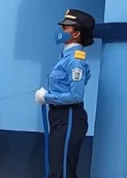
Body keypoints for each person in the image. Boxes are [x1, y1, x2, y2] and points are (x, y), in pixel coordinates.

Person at [36, 9, 95, 178]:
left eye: (65, 28)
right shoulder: (65, 58)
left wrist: (46, 97)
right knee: (57, 169)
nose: (60, 31)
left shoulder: (75, 60)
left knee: (62, 171)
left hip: (68, 116)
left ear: (76, 34)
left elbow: (76, 95)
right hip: (59, 116)